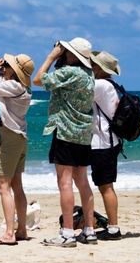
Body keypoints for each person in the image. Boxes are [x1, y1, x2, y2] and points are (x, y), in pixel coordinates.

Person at [32, 37, 97, 247]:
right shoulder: (89, 74)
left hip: (66, 132)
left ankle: (67, 232)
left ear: (72, 55)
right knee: (83, 182)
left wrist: (51, 57)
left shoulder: (70, 73)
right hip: (83, 134)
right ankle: (89, 230)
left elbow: (38, 80)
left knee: (65, 183)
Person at [0, 53, 35, 246]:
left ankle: (9, 234)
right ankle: (21, 230)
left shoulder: (12, 86)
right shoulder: (23, 88)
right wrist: (3, 72)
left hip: (9, 136)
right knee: (17, 186)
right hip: (20, 136)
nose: (6, 67)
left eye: (8, 66)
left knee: (3, 186)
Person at [90, 50, 123, 240]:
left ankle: (113, 228)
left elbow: (80, 93)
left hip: (103, 142)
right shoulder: (111, 84)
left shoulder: (101, 85)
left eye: (93, 65)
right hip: (111, 140)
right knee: (106, 185)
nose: (91, 68)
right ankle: (112, 226)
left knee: (105, 186)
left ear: (100, 69)